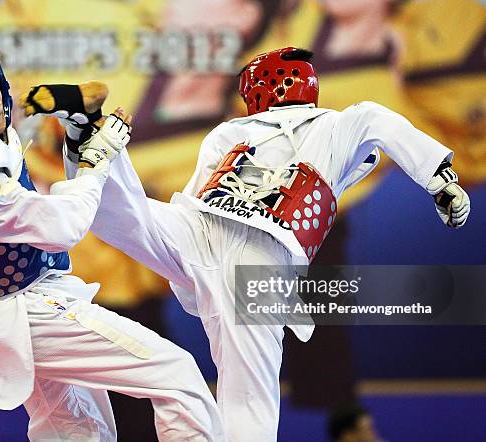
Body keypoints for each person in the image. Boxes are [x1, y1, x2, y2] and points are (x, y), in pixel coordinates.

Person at [65, 47, 470, 441]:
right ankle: (88, 138)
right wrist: (441, 179)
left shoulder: (229, 132)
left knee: (119, 214)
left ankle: (85, 135)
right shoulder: (340, 123)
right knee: (248, 400)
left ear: (256, 90)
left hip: (200, 233)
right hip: (259, 257)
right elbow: (380, 122)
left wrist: (196, 283)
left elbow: (191, 200)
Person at [0, 40, 224, 442]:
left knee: (75, 432)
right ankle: (83, 130)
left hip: (14, 301)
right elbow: (65, 226)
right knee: (176, 373)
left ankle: (80, 124)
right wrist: (97, 163)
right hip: (23, 312)